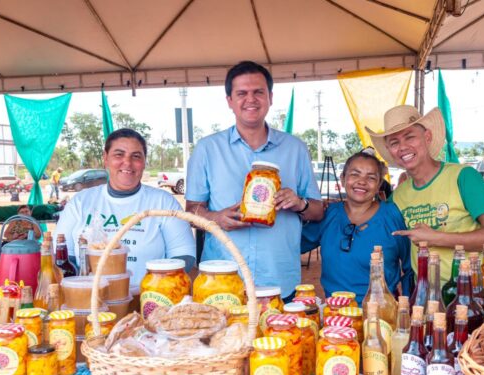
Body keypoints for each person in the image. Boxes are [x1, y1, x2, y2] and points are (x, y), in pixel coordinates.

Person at [186, 61, 323, 300]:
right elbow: (191, 212)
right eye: (242, 93)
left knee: (283, 337)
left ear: (270, 97)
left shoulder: (296, 149)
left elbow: (318, 211)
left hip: (279, 279)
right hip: (222, 281)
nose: (251, 99)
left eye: (258, 92)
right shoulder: (208, 149)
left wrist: (300, 203)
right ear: (230, 100)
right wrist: (216, 218)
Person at [366, 105, 484, 283]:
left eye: (410, 137)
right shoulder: (398, 196)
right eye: (394, 142)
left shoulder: (463, 177)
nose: (403, 147)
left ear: (427, 137)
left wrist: (436, 238)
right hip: (426, 299)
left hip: (477, 294)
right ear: (389, 150)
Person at [56, 129, 195, 286]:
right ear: (105, 158)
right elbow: (62, 255)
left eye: (136, 156)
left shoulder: (163, 202)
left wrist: (157, 285)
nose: (127, 163)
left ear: (144, 162)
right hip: (91, 301)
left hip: (148, 298)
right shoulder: (80, 202)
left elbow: (185, 255)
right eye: (119, 154)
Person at [301, 150, 412, 304]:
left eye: (371, 177)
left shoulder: (391, 215)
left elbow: (410, 266)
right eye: (355, 174)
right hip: (336, 317)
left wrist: (410, 307)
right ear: (342, 179)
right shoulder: (328, 214)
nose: (362, 181)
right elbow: (294, 245)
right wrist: (302, 208)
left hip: (381, 315)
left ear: (379, 184)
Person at [0, 204, 42, 270]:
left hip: (27, 243)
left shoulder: (33, 222)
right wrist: (13, 236)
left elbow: (38, 235)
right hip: (13, 242)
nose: (25, 213)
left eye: (26, 211)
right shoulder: (14, 221)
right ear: (18, 214)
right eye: (22, 212)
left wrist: (27, 235)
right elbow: (6, 234)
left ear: (30, 212)